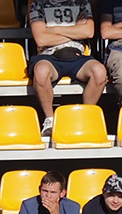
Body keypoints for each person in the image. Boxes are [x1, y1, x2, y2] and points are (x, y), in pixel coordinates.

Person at [28, 0, 108, 136]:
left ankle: (84, 118)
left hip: (77, 55)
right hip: (49, 56)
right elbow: (41, 40)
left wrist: (53, 30)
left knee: (99, 71)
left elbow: (88, 32)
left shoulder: (82, 3)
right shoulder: (38, 4)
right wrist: (75, 31)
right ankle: (50, 121)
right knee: (41, 71)